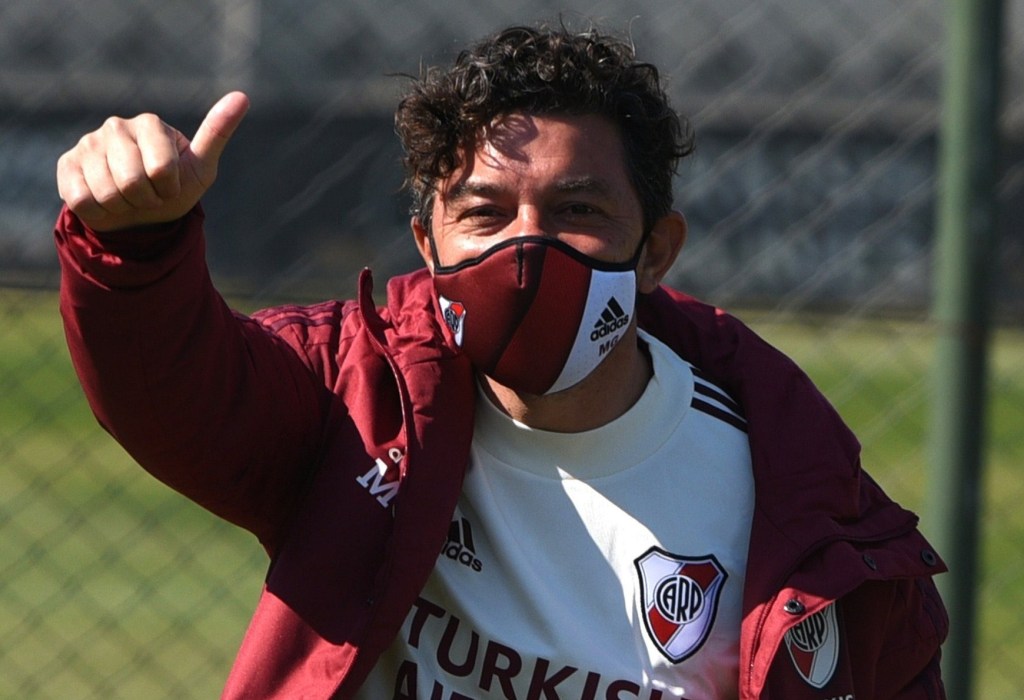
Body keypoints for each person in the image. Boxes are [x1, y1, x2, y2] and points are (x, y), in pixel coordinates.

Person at [54, 23, 947, 700]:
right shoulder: (361, 394)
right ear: (427, 244)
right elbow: (176, 395)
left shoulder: (795, 500)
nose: (527, 251)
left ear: (656, 251)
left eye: (577, 210)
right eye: (484, 213)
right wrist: (136, 246)